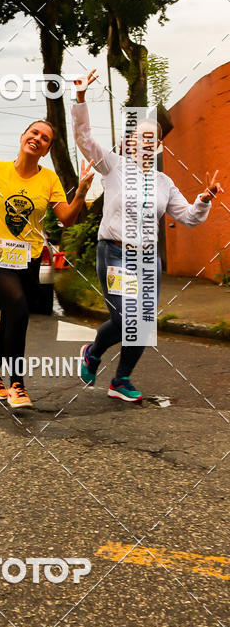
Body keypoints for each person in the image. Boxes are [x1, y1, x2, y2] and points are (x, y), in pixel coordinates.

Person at [72, 71, 223, 402]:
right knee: (125, 317)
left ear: (157, 144)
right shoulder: (112, 166)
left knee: (142, 322)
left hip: (146, 259)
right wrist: (81, 99)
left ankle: (120, 380)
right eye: (140, 135)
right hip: (114, 253)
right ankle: (93, 351)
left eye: (152, 137)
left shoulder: (163, 182)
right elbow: (83, 138)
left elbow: (189, 218)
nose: (145, 142)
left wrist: (204, 199)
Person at [0, 123, 94, 409]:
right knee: (17, 307)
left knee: (12, 316)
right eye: (34, 134)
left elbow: (67, 218)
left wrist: (80, 192)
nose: (38, 139)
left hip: (28, 257)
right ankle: (17, 383)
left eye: (45, 138)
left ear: (47, 149)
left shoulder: (50, 179)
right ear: (22, 137)